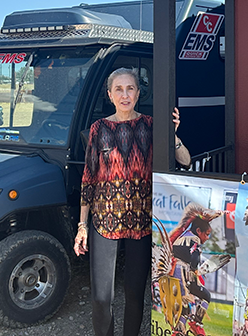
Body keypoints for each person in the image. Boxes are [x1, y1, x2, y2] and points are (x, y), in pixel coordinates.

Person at [73, 67, 191, 336]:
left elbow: (185, 161)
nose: (124, 95)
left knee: (135, 293)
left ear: (139, 93)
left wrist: (172, 135)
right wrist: (82, 225)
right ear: (110, 94)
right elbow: (89, 178)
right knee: (101, 298)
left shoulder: (151, 126)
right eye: (119, 89)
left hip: (140, 224)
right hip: (104, 222)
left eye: (130, 89)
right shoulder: (98, 129)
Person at [168, 203, 222, 336]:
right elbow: (194, 258)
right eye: (207, 234)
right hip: (180, 274)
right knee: (192, 302)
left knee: (197, 300)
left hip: (176, 273)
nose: (208, 238)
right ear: (199, 231)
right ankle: (188, 328)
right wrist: (195, 271)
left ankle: (189, 327)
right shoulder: (193, 240)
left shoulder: (182, 237)